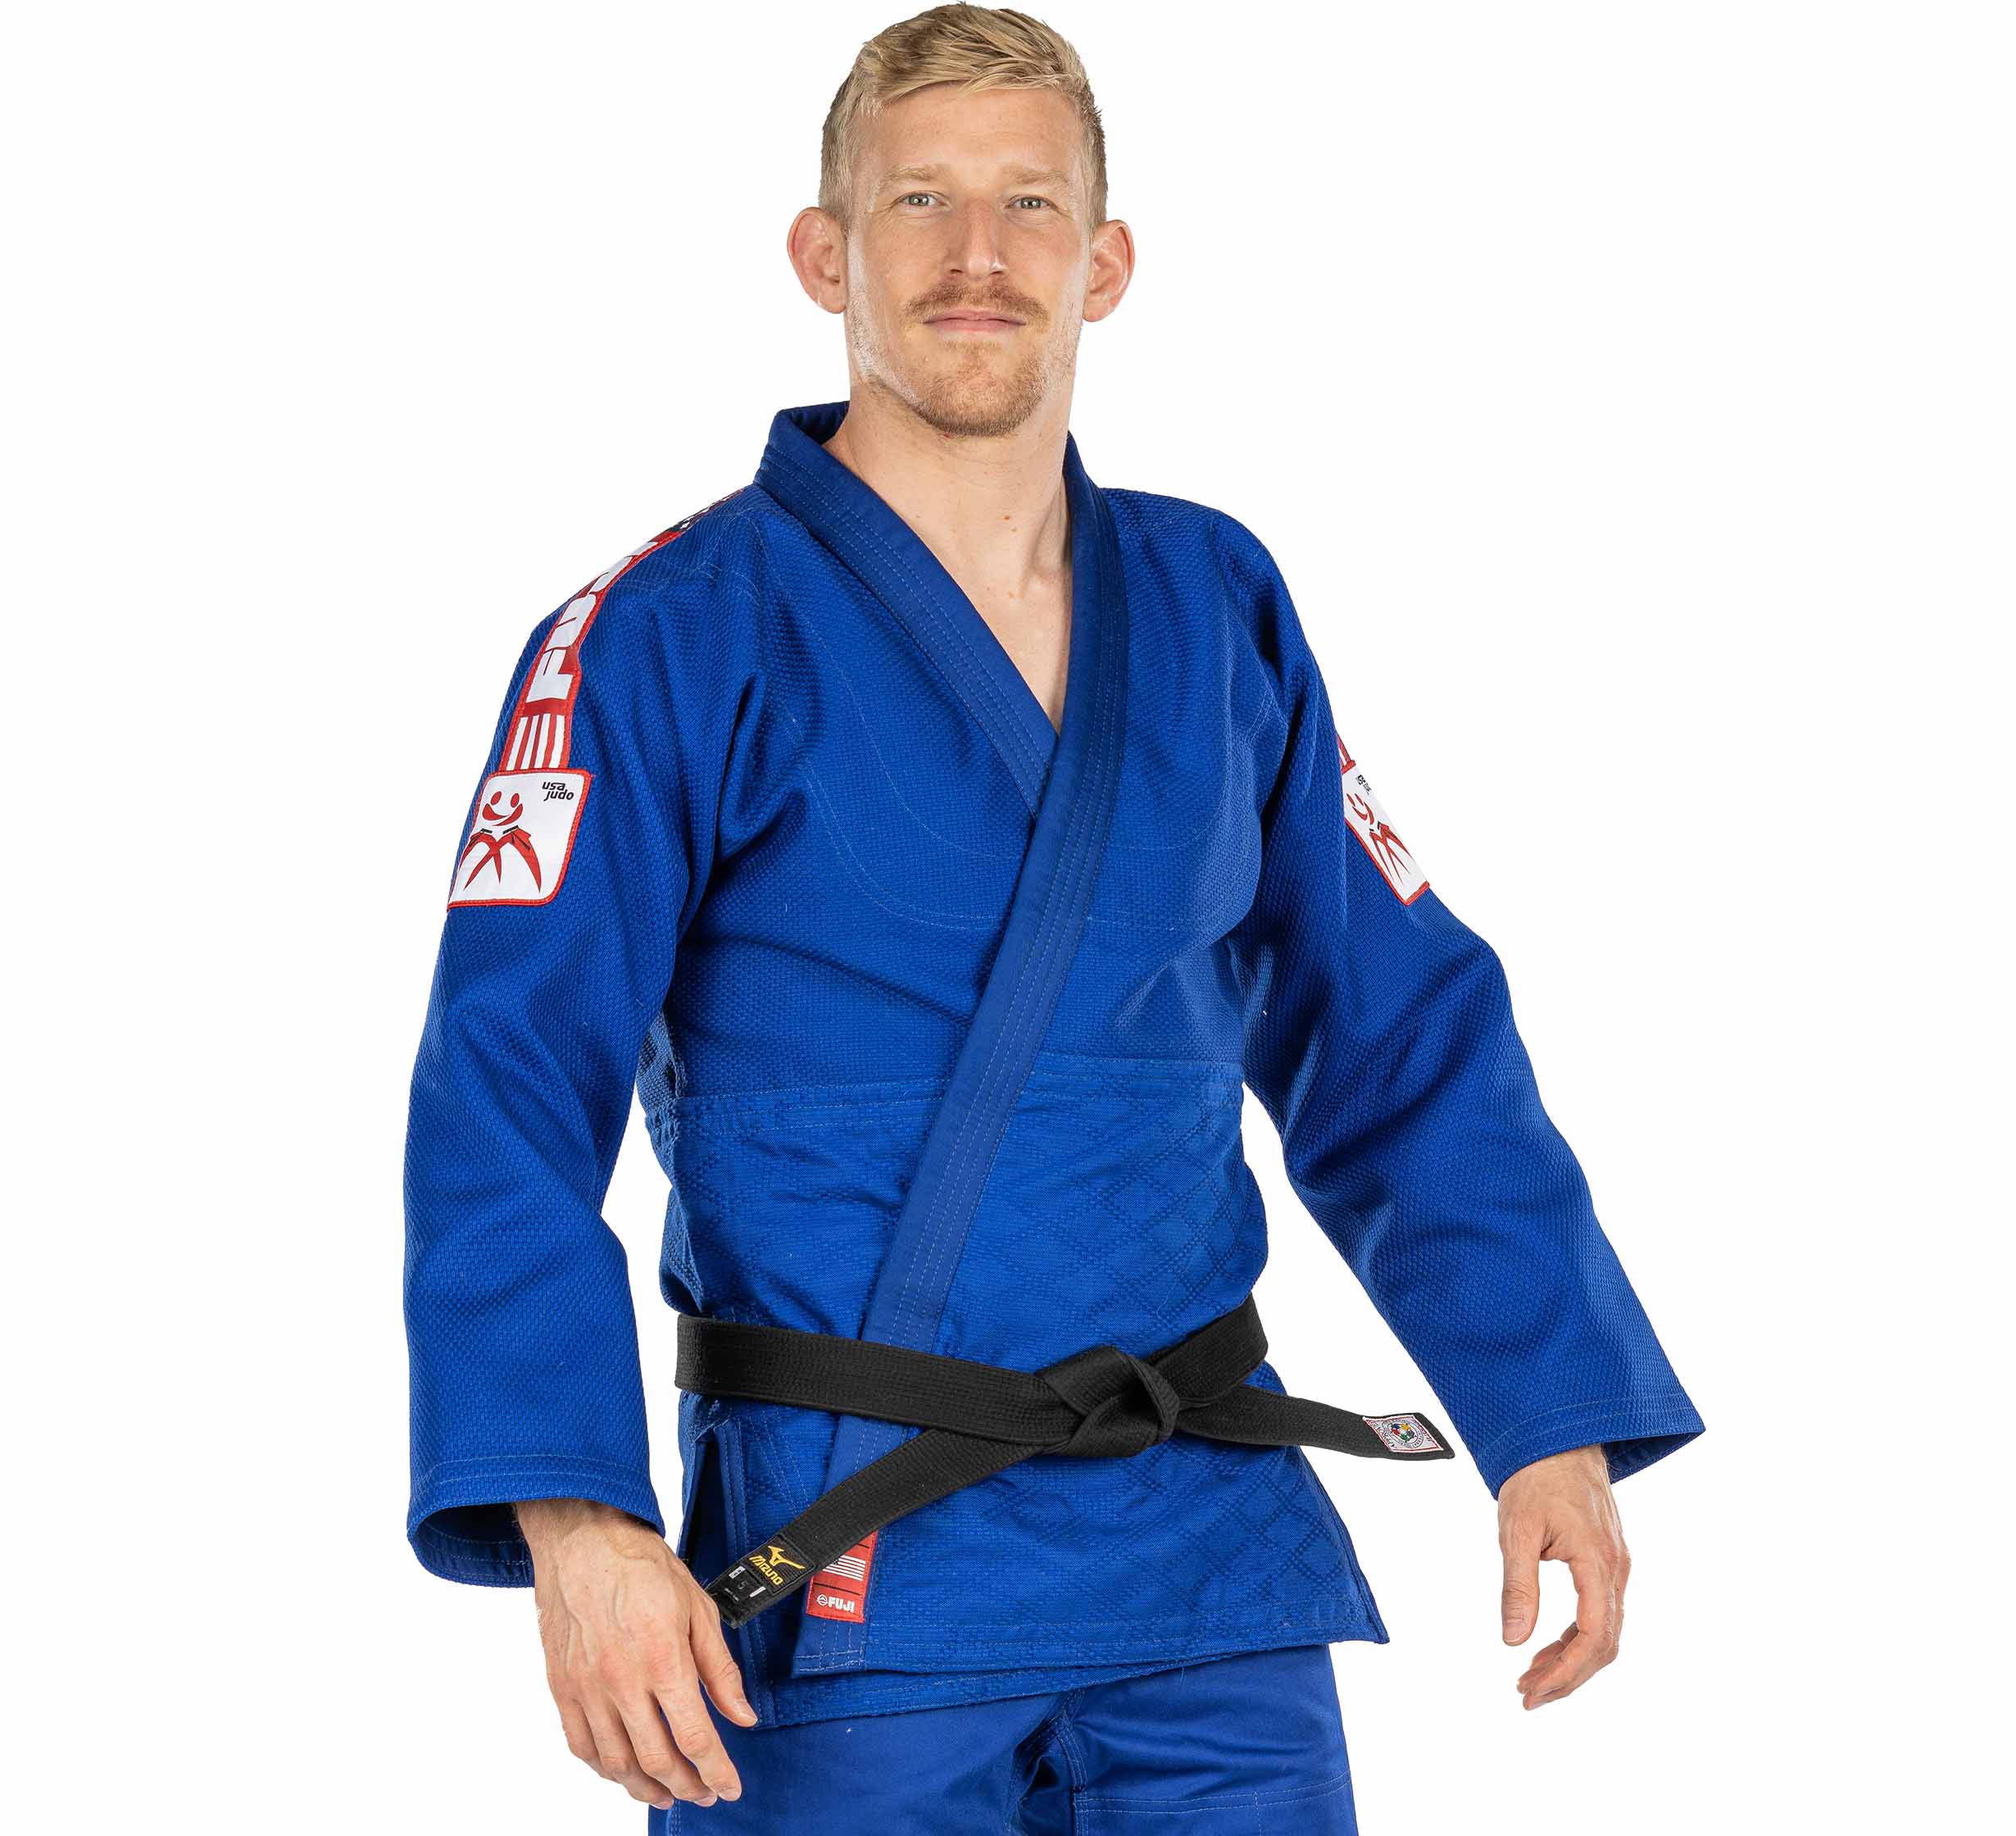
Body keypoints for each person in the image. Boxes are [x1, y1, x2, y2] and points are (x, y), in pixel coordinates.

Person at [402, 7, 1705, 1829]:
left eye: (1030, 204)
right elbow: (503, 1090)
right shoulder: (660, 634)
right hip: (851, 1572)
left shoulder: (1211, 595)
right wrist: (578, 1516)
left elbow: (1392, 1027)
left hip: (1207, 1572)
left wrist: (1543, 1402)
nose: (975, 255)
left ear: (1106, 263)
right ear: (821, 253)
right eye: (916, 199)